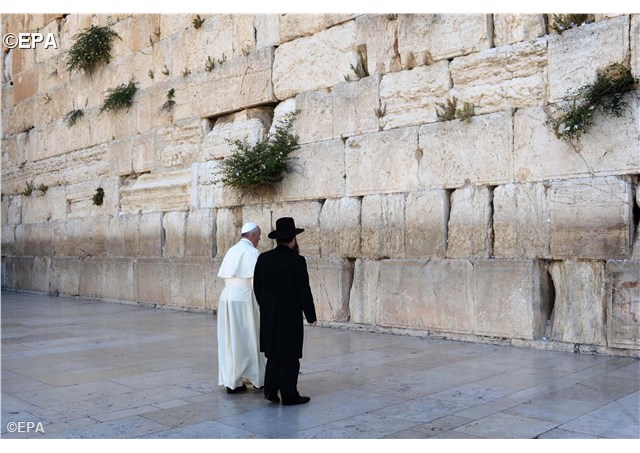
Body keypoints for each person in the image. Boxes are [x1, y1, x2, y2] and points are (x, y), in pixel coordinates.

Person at [253, 217, 317, 406]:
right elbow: (303, 290)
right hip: (289, 317)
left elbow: (257, 287)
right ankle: (289, 395)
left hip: (270, 315)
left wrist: (265, 307)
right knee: (289, 356)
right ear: (293, 240)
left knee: (273, 354)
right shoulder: (297, 261)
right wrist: (311, 315)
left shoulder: (263, 258)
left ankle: (271, 392)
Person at [217, 222, 266, 394]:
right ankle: (258, 379)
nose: (258, 240)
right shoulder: (251, 252)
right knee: (251, 337)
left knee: (231, 339)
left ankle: (233, 381)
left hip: (227, 297)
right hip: (245, 297)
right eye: (258, 237)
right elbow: (259, 280)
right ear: (252, 236)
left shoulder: (231, 250)